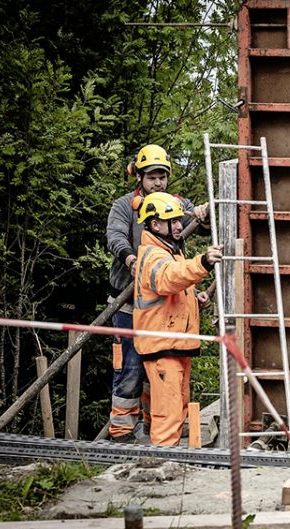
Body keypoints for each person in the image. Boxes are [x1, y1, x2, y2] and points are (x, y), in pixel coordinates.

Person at [105, 144, 209, 442]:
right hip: (128, 303)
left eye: (162, 176)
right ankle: (122, 433)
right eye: (151, 177)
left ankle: (156, 432)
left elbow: (198, 229)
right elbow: (114, 236)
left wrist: (203, 213)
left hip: (165, 310)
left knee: (162, 372)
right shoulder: (125, 206)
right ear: (139, 177)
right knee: (130, 367)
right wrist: (131, 258)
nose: (158, 182)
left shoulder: (177, 205)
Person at [132, 192, 222, 446]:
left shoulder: (171, 253)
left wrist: (194, 298)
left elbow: (174, 291)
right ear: (155, 224)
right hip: (162, 348)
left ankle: (170, 462)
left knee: (177, 410)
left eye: (179, 220)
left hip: (176, 346)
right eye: (173, 221)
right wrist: (203, 262)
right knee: (168, 415)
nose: (180, 225)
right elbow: (169, 279)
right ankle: (161, 464)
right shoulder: (153, 256)